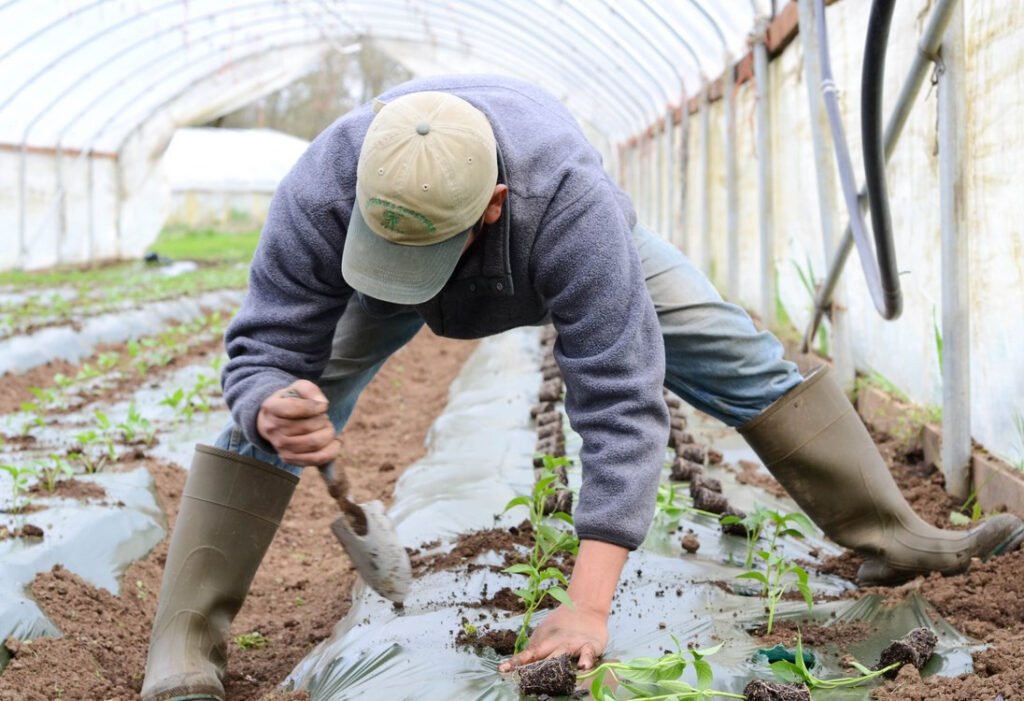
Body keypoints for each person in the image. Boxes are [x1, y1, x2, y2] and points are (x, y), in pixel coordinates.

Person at [141, 75, 1024, 701]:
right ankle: (184, 645)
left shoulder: (568, 201)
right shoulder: (324, 187)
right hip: (372, 283)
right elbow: (264, 340)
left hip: (556, 240)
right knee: (274, 414)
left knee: (740, 353)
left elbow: (618, 394)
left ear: (490, 204)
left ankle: (893, 535)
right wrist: (266, 395)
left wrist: (585, 605)